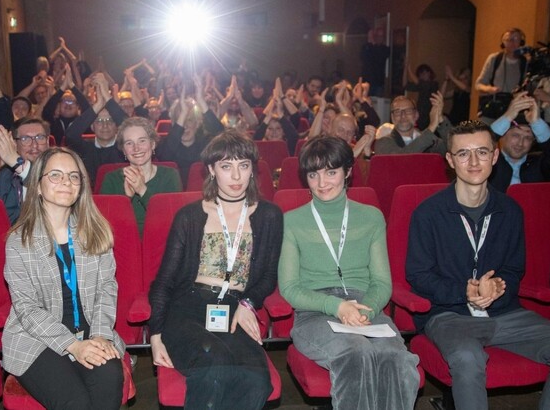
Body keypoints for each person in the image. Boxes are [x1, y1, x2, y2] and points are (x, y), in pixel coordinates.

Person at [405, 120, 550, 410]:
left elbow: (515, 269)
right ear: (450, 161)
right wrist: (463, 291)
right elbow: (418, 276)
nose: (474, 161)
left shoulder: (510, 210)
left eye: (482, 151)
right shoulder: (428, 213)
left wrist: (500, 285)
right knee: (468, 357)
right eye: (463, 154)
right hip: (449, 315)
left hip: (505, 313)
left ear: (494, 156)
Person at [278, 135, 420, 410]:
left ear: (347, 172)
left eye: (331, 172)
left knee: (397, 359)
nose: (322, 183)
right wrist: (338, 306)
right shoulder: (292, 221)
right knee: (356, 352)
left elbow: (380, 282)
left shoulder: (371, 216)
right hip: (315, 311)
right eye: (313, 174)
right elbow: (290, 289)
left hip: (367, 307)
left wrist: (365, 311)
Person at [148, 131, 283, 410]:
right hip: (187, 309)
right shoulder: (190, 216)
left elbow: (269, 276)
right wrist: (156, 334)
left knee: (256, 381)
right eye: (226, 166)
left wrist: (248, 302)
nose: (236, 177)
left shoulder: (269, 215)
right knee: (216, 364)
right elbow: (164, 281)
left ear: (252, 171)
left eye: (243, 166)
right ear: (211, 170)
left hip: (235, 310)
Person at [2, 147, 125, 410]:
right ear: (37, 185)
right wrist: (72, 345)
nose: (66, 182)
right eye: (55, 175)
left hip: (91, 330)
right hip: (36, 339)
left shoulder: (95, 231)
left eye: (74, 176)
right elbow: (27, 308)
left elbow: (106, 287)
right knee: (76, 402)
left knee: (109, 377)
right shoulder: (19, 240)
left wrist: (102, 335)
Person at [99, 117, 182, 235]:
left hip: (162, 244)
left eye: (142, 141)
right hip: (123, 244)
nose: (136, 148)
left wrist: (142, 190)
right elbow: (106, 224)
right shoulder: (111, 179)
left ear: (152, 144)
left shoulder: (170, 175)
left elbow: (172, 220)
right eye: (129, 143)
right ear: (123, 150)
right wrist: (126, 198)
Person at [0, 118, 51, 224]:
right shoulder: (5, 175)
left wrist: (15, 161)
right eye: (25, 139)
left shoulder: (61, 169)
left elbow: (44, 183)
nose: (34, 145)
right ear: (14, 144)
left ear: (48, 142)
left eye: (40, 137)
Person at [488, 92, 550, 191]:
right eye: (515, 135)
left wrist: (537, 123)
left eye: (527, 138)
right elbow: (479, 144)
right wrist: (507, 117)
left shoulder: (538, 164)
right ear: (502, 136)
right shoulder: (490, 161)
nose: (520, 143)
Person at [64, 73, 128, 183]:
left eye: (110, 120)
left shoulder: (125, 148)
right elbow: (71, 134)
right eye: (99, 121)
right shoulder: (85, 148)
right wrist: (98, 104)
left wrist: (108, 98)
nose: (105, 125)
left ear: (117, 126)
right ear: (92, 127)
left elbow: (131, 127)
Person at [475, 28, 528, 122]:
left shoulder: (525, 62)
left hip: (512, 108)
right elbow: (478, 84)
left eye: (515, 39)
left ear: (521, 42)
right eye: (508, 39)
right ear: (503, 43)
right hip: (492, 107)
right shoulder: (494, 58)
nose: (512, 42)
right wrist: (489, 89)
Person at [375, 94, 451, 155]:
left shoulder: (431, 140)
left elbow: (452, 148)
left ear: (416, 115)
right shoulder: (383, 142)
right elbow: (400, 160)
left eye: (408, 111)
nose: (403, 116)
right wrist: (431, 127)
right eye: (397, 112)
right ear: (392, 117)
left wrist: (440, 119)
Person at [404, 63, 440, 130]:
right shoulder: (421, 85)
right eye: (420, 75)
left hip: (429, 116)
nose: (421, 76)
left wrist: (409, 70)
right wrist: (406, 68)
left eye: (423, 73)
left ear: (429, 73)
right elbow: (405, 85)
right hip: (420, 115)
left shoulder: (434, 84)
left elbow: (420, 83)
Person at [360, 27, 389, 97]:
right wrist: (370, 43)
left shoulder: (385, 49)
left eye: (381, 36)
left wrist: (373, 44)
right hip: (366, 81)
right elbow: (362, 57)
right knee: (365, 102)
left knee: (377, 103)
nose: (380, 38)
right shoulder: (367, 47)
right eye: (378, 36)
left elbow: (379, 57)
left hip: (378, 82)